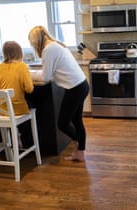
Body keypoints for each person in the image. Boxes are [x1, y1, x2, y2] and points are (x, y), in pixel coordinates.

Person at [28, 26, 89, 161]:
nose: (33, 46)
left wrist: (29, 75)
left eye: (32, 43)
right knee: (76, 120)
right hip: (81, 85)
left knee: (63, 123)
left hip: (75, 88)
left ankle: (80, 144)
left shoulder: (48, 50)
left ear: (36, 40)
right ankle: (80, 152)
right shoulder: (56, 45)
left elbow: (45, 77)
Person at [0, 41, 34, 147]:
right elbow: (29, 89)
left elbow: (0, 87)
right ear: (19, 52)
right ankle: (19, 133)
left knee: (17, 106)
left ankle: (14, 132)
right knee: (31, 105)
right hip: (17, 109)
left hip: (2, 108)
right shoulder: (22, 66)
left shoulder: (0, 67)